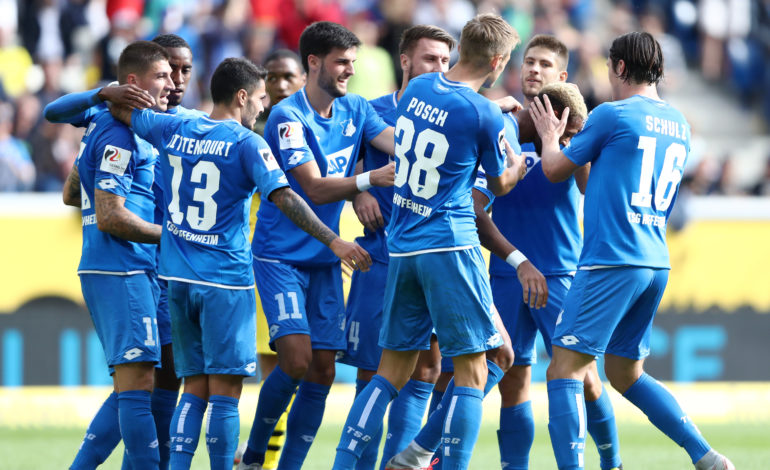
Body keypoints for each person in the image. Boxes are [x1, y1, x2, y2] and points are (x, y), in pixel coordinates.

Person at [109, 57, 371, 469]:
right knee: (226, 394)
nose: (264, 108)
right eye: (261, 99)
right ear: (243, 96)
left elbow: (121, 108)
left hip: (176, 278)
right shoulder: (248, 143)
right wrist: (333, 239)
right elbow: (285, 198)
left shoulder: (175, 126)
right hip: (225, 281)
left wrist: (104, 91)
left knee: (193, 387)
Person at [529, 31, 735, 470]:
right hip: (653, 260)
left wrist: (551, 136)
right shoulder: (679, 122)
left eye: (609, 66)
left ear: (620, 67)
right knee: (625, 372)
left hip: (611, 258)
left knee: (563, 369)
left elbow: (553, 171)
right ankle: (706, 456)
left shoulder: (612, 114)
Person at [332, 13, 525, 470]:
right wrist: (516, 163)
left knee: (389, 373)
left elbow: (450, 112)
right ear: (498, 61)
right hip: (451, 247)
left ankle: (348, 463)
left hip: (403, 245)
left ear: (461, 47)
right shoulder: (484, 114)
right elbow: (498, 185)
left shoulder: (418, 88)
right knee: (474, 371)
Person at [386, 82, 587, 470]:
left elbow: (586, 184)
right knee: (470, 367)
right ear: (551, 115)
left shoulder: (512, 130)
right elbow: (476, 210)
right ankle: (418, 456)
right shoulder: (504, 132)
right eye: (571, 133)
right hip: (478, 263)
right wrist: (518, 261)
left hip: (545, 267)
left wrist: (553, 143)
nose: (573, 143)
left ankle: (416, 454)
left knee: (508, 361)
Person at [238, 21, 396, 470]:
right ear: (314, 62)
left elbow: (397, 144)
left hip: (325, 259)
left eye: (352, 62)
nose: (349, 71)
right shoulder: (289, 118)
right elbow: (311, 188)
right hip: (280, 255)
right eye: (341, 62)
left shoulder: (357, 109)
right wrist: (366, 181)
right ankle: (253, 456)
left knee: (324, 371)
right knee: (295, 360)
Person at [45, 33, 204, 470]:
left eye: (183, 72)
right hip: (134, 261)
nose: (175, 82)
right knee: (137, 379)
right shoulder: (115, 122)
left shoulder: (185, 123)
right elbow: (92, 202)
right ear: (134, 81)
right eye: (167, 72)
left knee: (161, 374)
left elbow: (76, 191)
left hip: (160, 267)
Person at [490, 35, 623, 470]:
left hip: (561, 268)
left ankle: (611, 462)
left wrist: (568, 138)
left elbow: (587, 186)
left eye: (544, 64)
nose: (533, 69)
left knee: (584, 378)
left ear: (561, 77)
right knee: (514, 378)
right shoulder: (499, 119)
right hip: (505, 268)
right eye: (528, 61)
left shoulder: (574, 130)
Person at [336, 24, 454, 470]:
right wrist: (358, 192)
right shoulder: (371, 112)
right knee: (373, 373)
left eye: (446, 61)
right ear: (404, 61)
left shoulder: (453, 114)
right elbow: (340, 169)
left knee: (427, 370)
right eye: (429, 59)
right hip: (381, 258)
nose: (439, 68)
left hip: (433, 258)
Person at [240, 48, 307, 470]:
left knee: (301, 371)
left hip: (313, 260)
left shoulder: (322, 125)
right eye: (273, 77)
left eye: (288, 76)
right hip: (264, 259)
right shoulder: (252, 132)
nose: (280, 85)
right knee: (279, 367)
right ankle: (262, 461)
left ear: (304, 78)